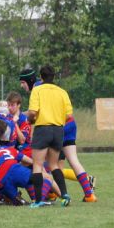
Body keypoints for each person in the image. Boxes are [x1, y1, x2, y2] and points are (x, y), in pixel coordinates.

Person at [26, 65, 71, 208]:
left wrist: (30, 120)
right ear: (54, 76)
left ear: (41, 77)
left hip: (42, 129)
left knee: (37, 165)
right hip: (58, 130)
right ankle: (64, 194)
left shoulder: (37, 90)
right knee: (54, 165)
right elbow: (69, 115)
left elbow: (32, 112)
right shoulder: (62, 92)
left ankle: (38, 201)